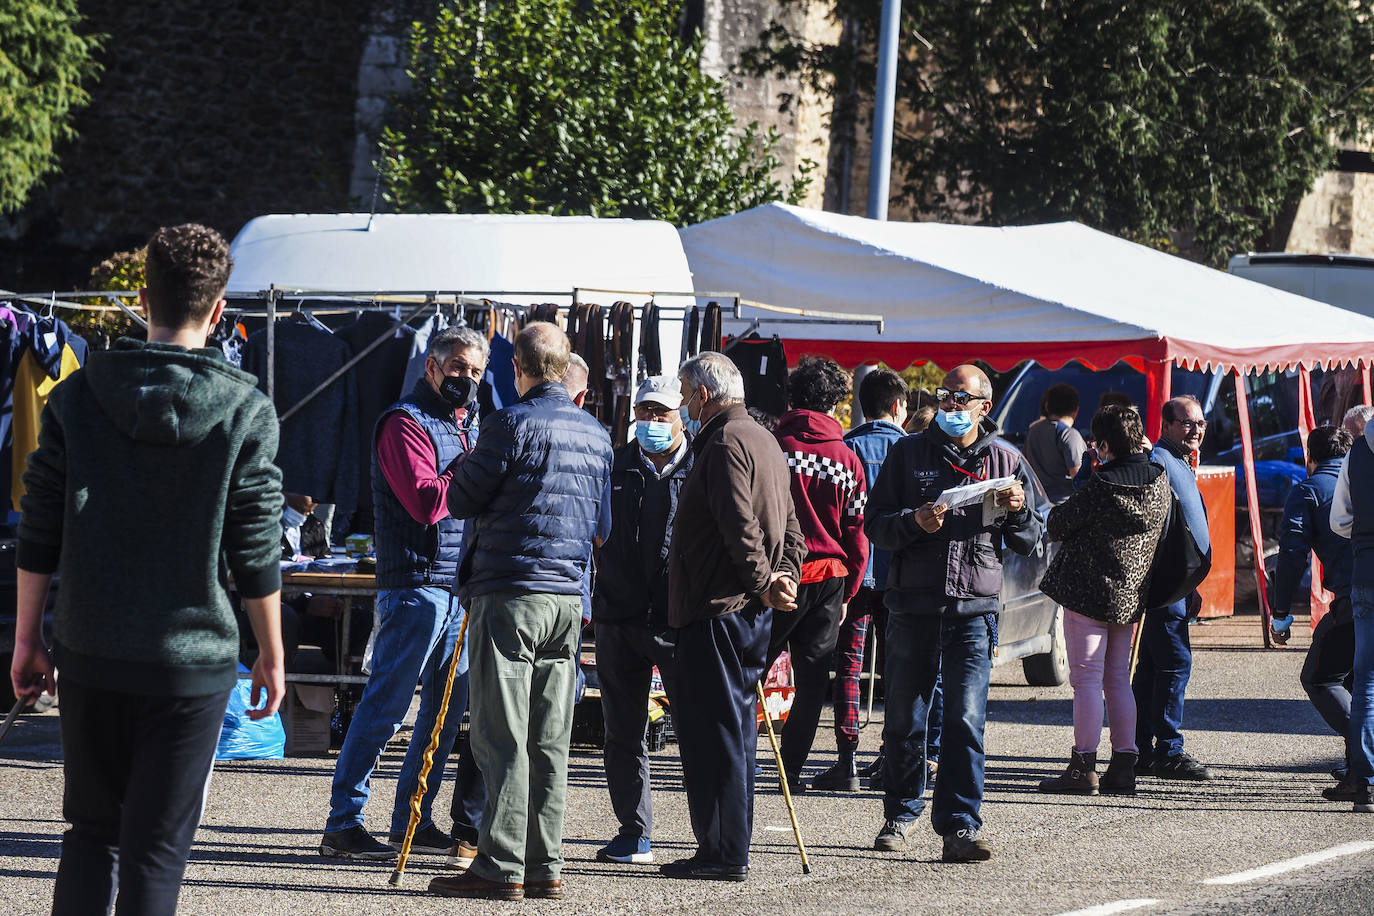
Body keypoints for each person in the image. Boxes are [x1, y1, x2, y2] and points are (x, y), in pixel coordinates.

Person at [12, 224, 286, 914]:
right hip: (189, 660)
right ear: (220, 310)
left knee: (90, 837)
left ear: (142, 298)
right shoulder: (246, 410)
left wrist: (26, 638)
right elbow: (254, 547)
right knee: (156, 853)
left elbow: (39, 523)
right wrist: (274, 655)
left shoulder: (77, 396)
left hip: (92, 645)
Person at [429, 322, 613, 900]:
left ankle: (501, 863)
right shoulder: (597, 434)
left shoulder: (508, 423)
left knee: (500, 730)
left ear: (519, 369)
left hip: (510, 592)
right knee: (549, 734)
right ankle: (545, 862)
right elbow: (602, 527)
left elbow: (458, 499)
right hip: (566, 597)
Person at [318, 326, 489, 860]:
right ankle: (342, 822)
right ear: (431, 367)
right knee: (386, 711)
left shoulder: (467, 425)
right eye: (458, 367)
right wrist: (475, 467)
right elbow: (425, 503)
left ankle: (411, 820)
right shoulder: (403, 424)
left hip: (458, 590)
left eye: (476, 372)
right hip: (414, 587)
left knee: (442, 717)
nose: (467, 379)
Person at [865, 364, 1042, 863]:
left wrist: (1021, 508)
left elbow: (1030, 541)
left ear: (985, 407)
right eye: (944, 396)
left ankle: (960, 826)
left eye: (961, 399)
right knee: (905, 718)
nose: (950, 406)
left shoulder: (1005, 460)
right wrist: (913, 521)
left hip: (973, 610)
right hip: (913, 606)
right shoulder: (907, 451)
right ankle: (899, 814)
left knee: (966, 720)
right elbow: (875, 523)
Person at [662, 351, 803, 882]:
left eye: (684, 392)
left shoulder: (724, 442)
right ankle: (725, 847)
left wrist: (767, 581)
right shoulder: (764, 438)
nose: (683, 403)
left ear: (703, 393)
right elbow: (792, 529)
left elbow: (739, 526)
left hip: (720, 609)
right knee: (734, 729)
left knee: (715, 733)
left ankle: (724, 851)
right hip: (744, 609)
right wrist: (779, 577)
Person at [1036, 405, 1171, 797]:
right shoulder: (1159, 477)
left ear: (1104, 444)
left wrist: (1087, 474)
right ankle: (1125, 765)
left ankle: (1083, 768)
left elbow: (1058, 523)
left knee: (1087, 683)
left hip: (1087, 593)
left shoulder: (1102, 484)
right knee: (1117, 679)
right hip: (1131, 594)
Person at [591, 375, 690, 864]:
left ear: (682, 415)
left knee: (696, 727)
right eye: (645, 412)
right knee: (623, 730)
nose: (652, 421)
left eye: (662, 413)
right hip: (618, 614)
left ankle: (712, 835)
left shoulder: (702, 464)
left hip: (680, 618)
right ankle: (634, 830)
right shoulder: (613, 462)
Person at [769, 356, 869, 792]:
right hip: (829, 577)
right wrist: (849, 589)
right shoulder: (847, 459)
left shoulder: (772, 447)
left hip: (773, 578)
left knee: (748, 670)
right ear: (834, 404)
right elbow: (857, 531)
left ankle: (731, 758)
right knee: (812, 682)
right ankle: (790, 770)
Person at [826, 367, 910, 792]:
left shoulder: (844, 448)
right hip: (900, 579)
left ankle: (847, 759)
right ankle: (891, 756)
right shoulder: (911, 451)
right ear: (897, 407)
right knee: (899, 670)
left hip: (853, 577)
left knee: (848, 666)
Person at [1269, 426, 1357, 798]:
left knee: (1320, 677)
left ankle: (1367, 755)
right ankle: (1359, 762)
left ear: (1310, 458)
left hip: (1355, 600)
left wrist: (1280, 611)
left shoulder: (1308, 489)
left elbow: (1291, 555)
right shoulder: (1365, 480)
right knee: (1358, 678)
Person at [1133, 395, 1214, 781]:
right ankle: (1167, 750)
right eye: (1186, 423)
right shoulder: (1160, 463)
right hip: (1165, 587)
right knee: (1174, 663)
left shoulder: (1178, 461)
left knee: (1151, 669)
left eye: (1199, 423)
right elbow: (1157, 531)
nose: (1195, 429)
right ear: (1164, 426)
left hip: (1178, 587)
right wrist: (1172, 582)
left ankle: (1139, 747)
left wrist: (1192, 583)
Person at [1329, 406, 1374, 813]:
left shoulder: (1356, 451)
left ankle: (1363, 780)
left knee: (1366, 682)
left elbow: (1339, 520)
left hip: (1365, 567)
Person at [1024, 383, 1087, 505]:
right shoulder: (1070, 435)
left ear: (1047, 407)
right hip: (1065, 506)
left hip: (1037, 505)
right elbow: (1080, 480)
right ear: (1076, 410)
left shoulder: (1033, 431)